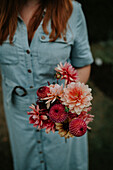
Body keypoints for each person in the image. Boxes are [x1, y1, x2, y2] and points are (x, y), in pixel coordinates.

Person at [0, 0, 93, 170]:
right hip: (19, 114)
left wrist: (68, 99)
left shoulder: (71, 10)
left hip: (61, 113)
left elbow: (83, 64)